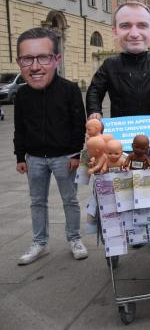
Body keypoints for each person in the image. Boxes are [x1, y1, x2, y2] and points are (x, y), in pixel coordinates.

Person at [14, 28, 88, 265]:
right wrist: (20, 157)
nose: (35, 66)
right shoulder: (22, 95)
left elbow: (79, 124)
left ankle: (74, 239)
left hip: (65, 157)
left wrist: (77, 153)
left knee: (70, 200)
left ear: (57, 59)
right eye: (27, 59)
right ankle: (39, 242)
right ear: (19, 62)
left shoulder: (69, 90)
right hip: (34, 157)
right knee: (37, 201)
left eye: (43, 57)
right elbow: (20, 128)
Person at [86, 1, 150, 120]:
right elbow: (95, 90)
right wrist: (94, 110)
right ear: (115, 31)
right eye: (125, 26)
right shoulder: (110, 65)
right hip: (121, 132)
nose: (134, 34)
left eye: (142, 25)